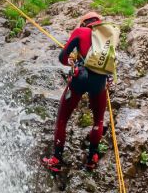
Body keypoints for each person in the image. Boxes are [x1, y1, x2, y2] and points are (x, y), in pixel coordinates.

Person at [42, 11, 111, 172]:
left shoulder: (81, 31)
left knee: (62, 119)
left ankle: (56, 159)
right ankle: (92, 159)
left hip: (80, 79)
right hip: (100, 81)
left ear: (84, 22)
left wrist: (70, 62)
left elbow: (62, 57)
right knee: (98, 121)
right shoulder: (107, 36)